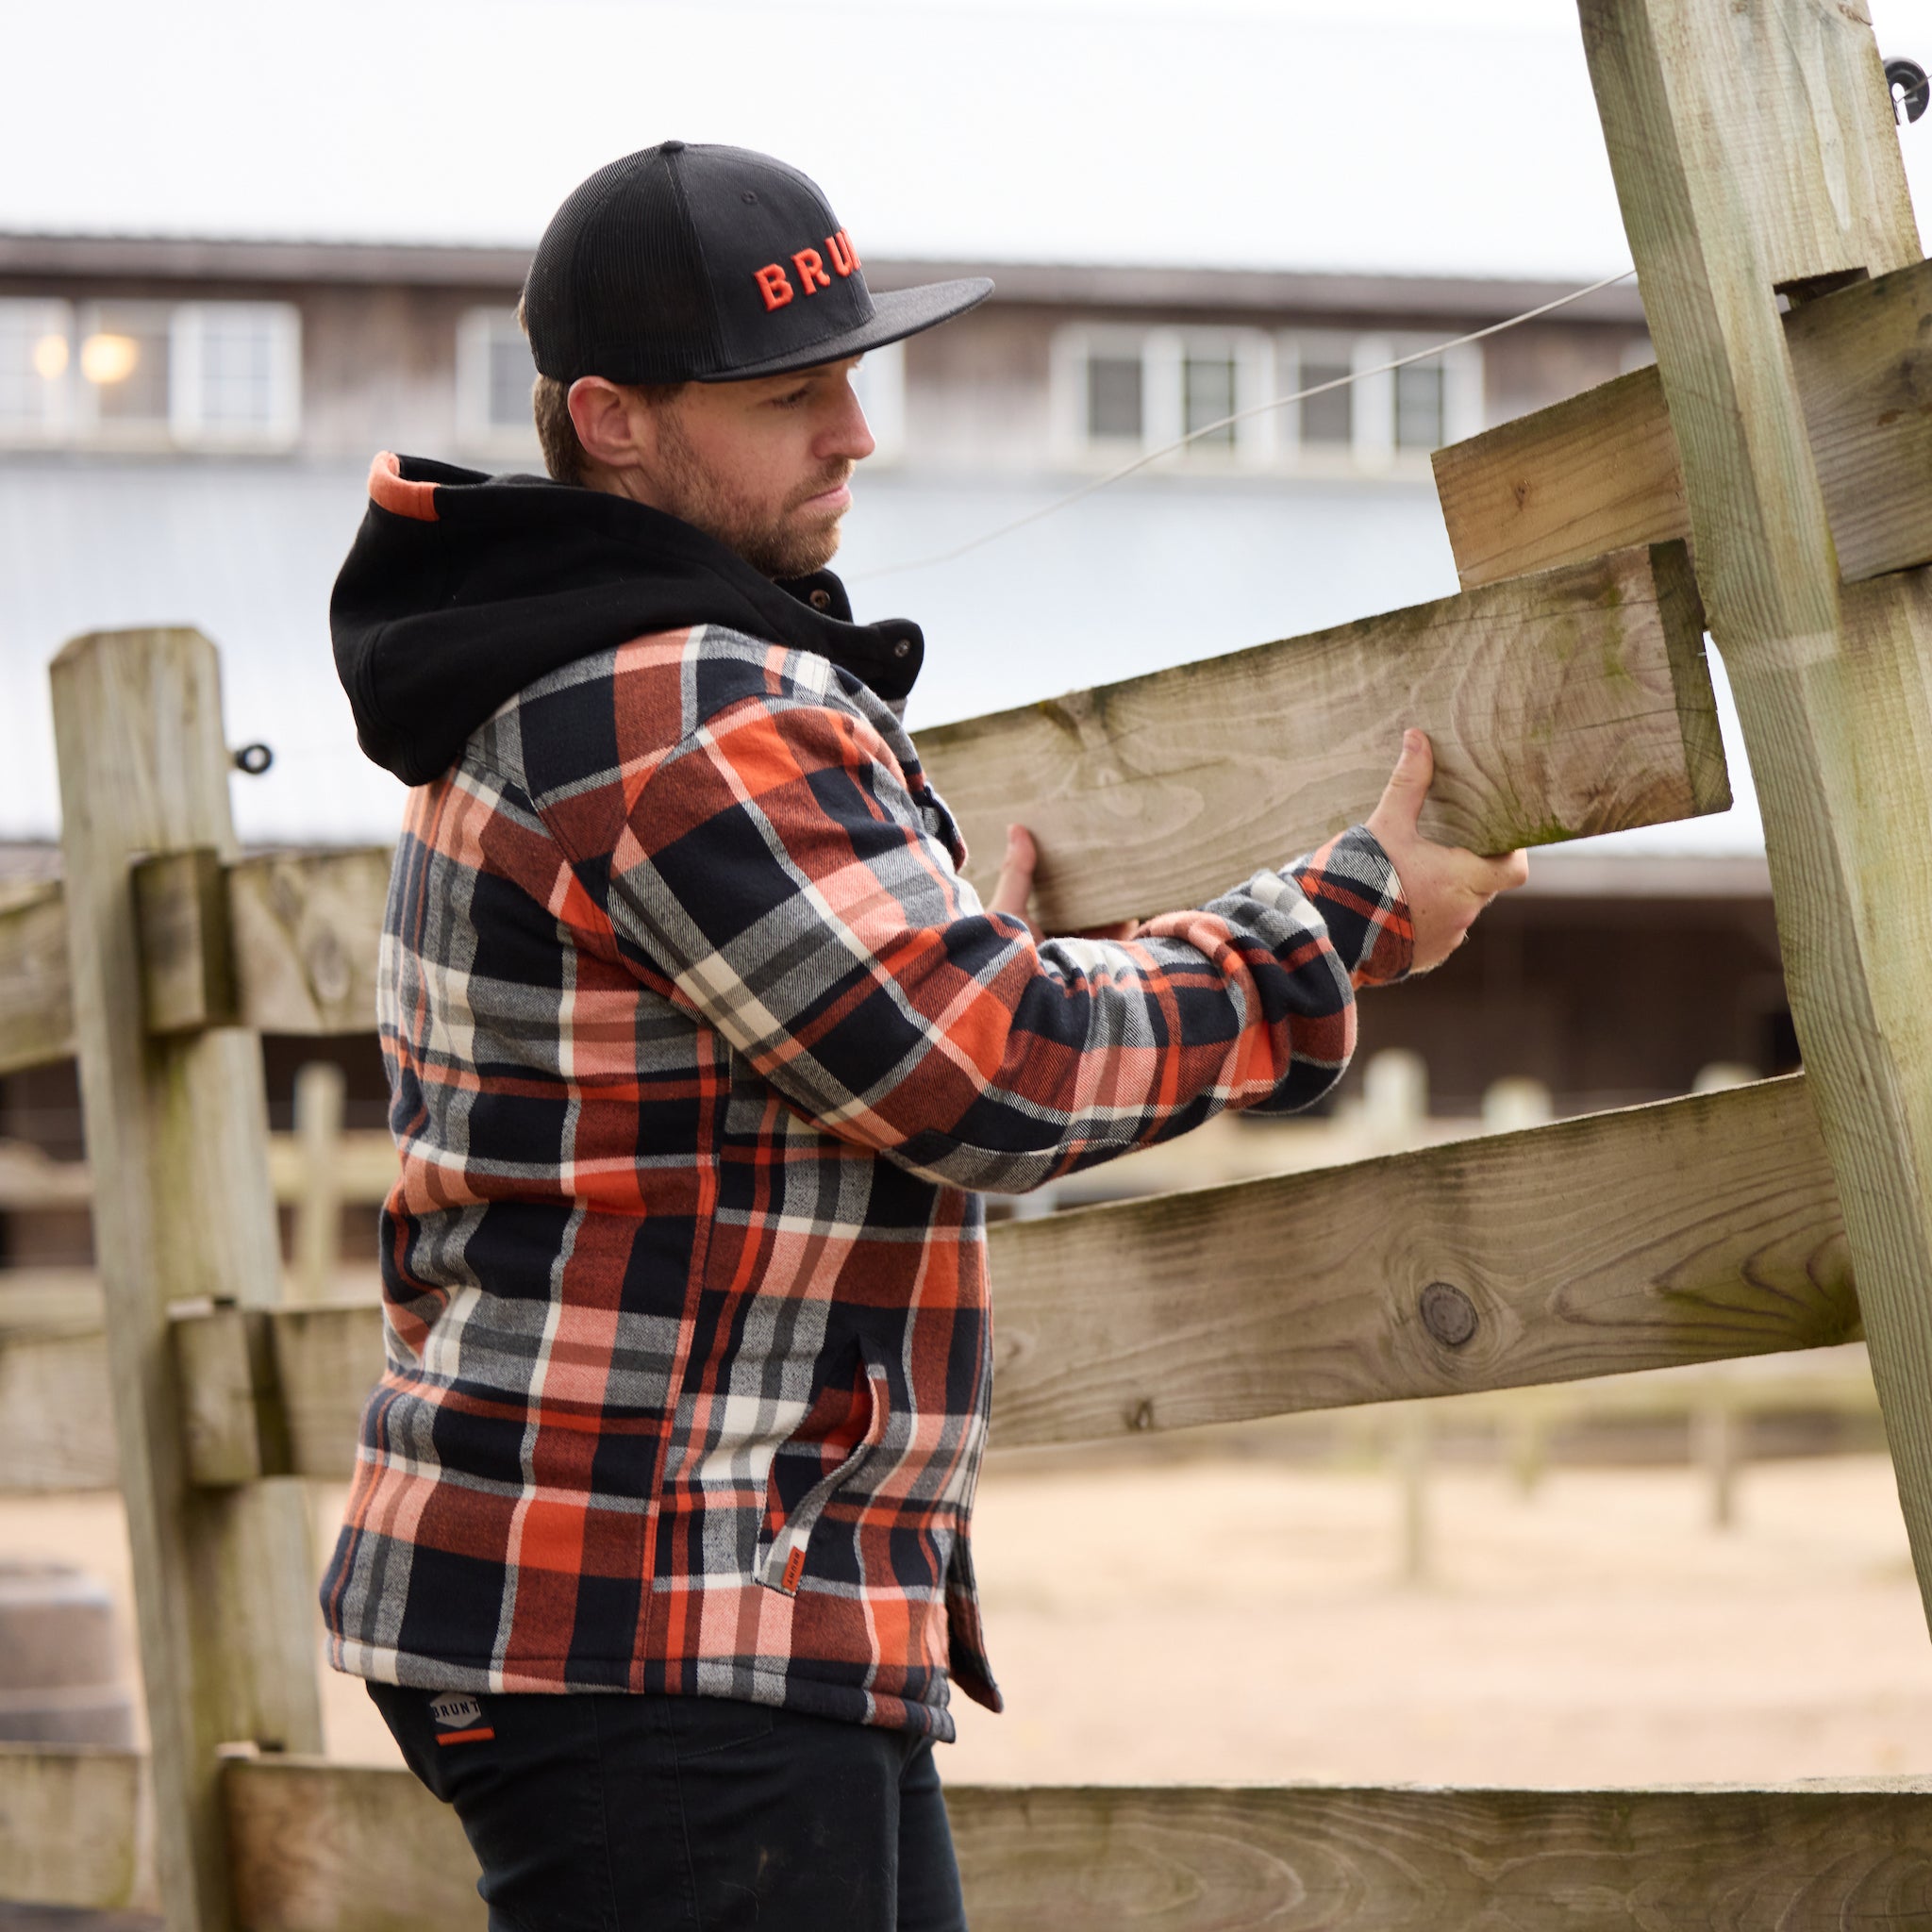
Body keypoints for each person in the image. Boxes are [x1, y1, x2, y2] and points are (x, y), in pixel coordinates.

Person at [321, 141, 1526, 1932]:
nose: (855, 434)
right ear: (612, 421)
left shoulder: (588, 677)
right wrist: (1338, 930)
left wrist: (957, 936)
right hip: (659, 1604)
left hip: (685, 1595)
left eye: (849, 379)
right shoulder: (675, 706)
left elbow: (872, 1047)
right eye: (788, 398)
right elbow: (995, 1071)